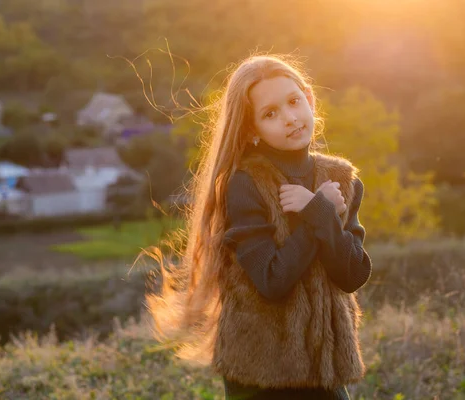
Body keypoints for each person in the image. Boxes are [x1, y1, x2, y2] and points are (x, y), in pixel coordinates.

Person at [146, 54, 372, 400]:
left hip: (323, 371)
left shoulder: (342, 180)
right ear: (252, 129)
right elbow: (272, 281)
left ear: (309, 99)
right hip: (260, 376)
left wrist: (321, 213)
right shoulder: (245, 183)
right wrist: (318, 212)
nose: (290, 118)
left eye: (294, 102)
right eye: (270, 114)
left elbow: (353, 275)